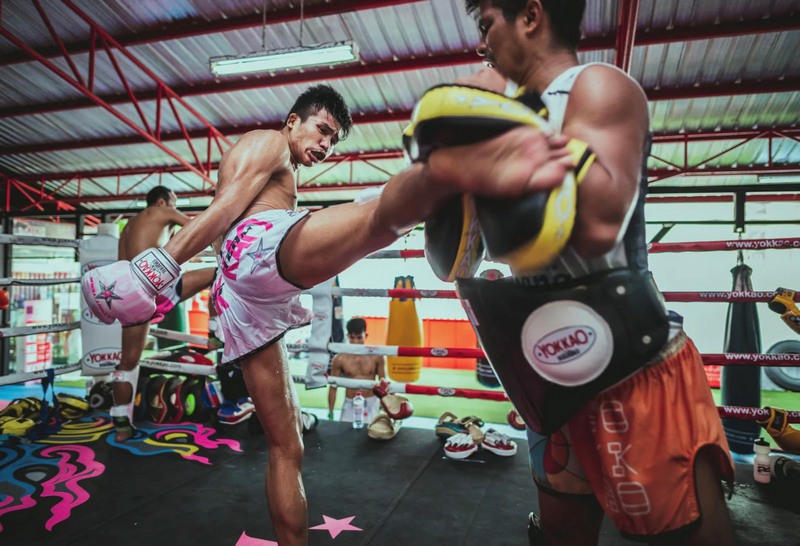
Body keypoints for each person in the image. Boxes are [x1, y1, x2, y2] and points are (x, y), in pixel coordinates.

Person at [82, 83, 575, 545]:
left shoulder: (265, 163)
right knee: (377, 217)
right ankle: (453, 174)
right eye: (322, 131)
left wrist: (180, 273)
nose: (326, 146)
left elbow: (223, 225)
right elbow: (225, 210)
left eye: (334, 141)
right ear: (293, 120)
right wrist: (161, 265)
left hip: (240, 288)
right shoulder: (268, 143)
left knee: (286, 446)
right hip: (255, 251)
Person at [454, 2, 737, 545]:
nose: (481, 45)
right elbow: (457, 262)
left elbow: (595, 223)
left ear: (531, 15)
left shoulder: (600, 85)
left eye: (487, 25)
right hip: (549, 369)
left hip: (632, 369)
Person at [111, 186, 217, 442]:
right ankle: (216, 334)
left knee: (127, 363)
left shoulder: (128, 226)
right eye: (174, 201)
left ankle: (121, 425)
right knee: (219, 273)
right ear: (162, 202)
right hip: (156, 290)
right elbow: (199, 228)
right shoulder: (163, 212)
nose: (175, 206)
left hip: (127, 293)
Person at [328, 317, 386, 423]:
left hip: (371, 402)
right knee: (345, 435)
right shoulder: (340, 358)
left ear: (366, 335)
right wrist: (330, 412)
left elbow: (383, 384)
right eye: (352, 337)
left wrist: (385, 409)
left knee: (372, 436)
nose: (355, 341)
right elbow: (333, 387)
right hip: (350, 402)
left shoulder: (377, 356)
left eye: (359, 337)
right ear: (347, 336)